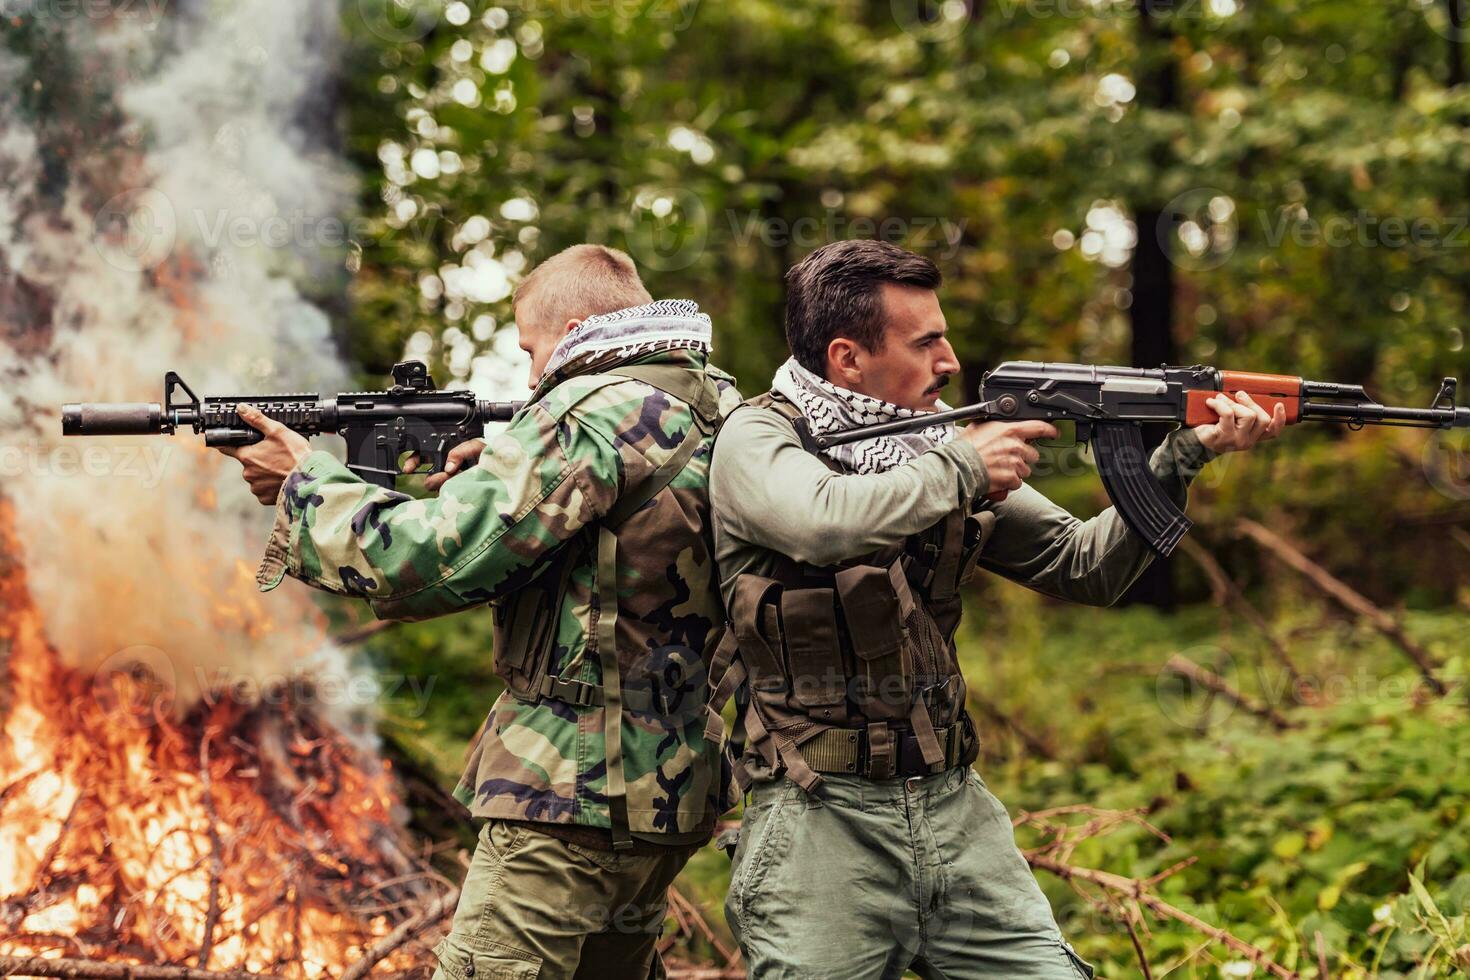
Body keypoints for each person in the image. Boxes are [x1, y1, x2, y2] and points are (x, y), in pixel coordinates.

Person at [706, 239, 1284, 979]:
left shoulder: (933, 442)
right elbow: (821, 522)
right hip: (819, 823)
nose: (950, 361)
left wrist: (1182, 456)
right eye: (927, 342)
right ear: (848, 358)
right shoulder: (759, 438)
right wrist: (964, 464)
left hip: (954, 811)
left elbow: (1085, 565)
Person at [221, 244, 742, 979]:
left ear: (575, 330)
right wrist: (493, 477)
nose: (531, 376)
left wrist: (306, 484)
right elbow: (633, 563)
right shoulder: (712, 402)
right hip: (668, 792)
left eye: (532, 350)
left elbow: (427, 559)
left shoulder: (588, 410)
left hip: (568, 792)